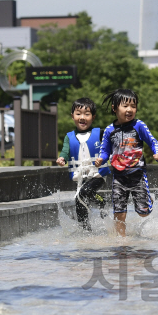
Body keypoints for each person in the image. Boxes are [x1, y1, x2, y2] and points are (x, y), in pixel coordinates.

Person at [94, 89, 158, 237]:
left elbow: (152, 141)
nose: (130, 110)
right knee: (119, 211)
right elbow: (105, 150)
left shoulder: (138, 125)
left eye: (133, 106)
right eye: (125, 106)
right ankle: (122, 240)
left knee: (143, 213)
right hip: (118, 177)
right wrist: (101, 159)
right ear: (114, 108)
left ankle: (147, 199)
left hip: (137, 175)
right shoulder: (109, 130)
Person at [56, 98, 111, 231]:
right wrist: (62, 158)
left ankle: (86, 228)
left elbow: (108, 147)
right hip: (81, 174)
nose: (82, 117)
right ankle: (85, 228)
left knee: (83, 193)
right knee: (80, 199)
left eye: (87, 114)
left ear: (93, 117)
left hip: (98, 174)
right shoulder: (69, 136)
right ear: (72, 116)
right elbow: (65, 151)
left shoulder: (99, 133)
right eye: (78, 113)